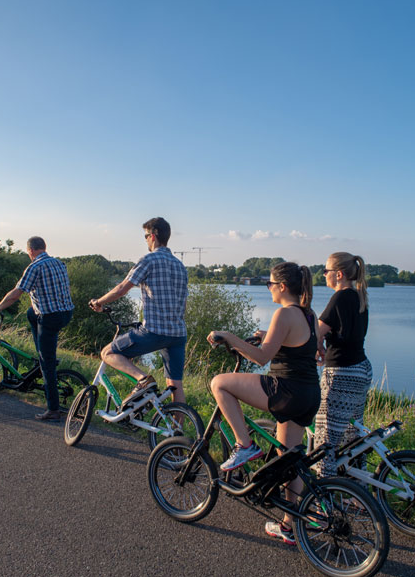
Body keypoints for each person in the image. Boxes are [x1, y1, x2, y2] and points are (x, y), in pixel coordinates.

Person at [207, 261, 320, 546]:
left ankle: (245, 446)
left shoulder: (283, 313)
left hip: (286, 390)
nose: (268, 288)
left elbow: (261, 358)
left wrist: (230, 337)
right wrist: (265, 337)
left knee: (219, 383)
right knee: (288, 458)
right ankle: (288, 525)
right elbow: (298, 346)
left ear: (282, 287)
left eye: (270, 284)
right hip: (308, 394)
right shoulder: (309, 314)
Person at [90, 217, 188, 408]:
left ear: (152, 236)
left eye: (145, 236)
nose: (145, 241)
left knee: (108, 352)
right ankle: (177, 432)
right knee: (175, 384)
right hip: (178, 334)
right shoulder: (180, 266)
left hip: (154, 332)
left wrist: (99, 302)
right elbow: (183, 304)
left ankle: (143, 379)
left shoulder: (149, 260)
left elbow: (121, 288)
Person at [0, 237, 73, 421]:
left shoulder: (34, 266)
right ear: (44, 248)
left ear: (30, 250)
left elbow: (16, 294)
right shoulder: (59, 263)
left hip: (50, 318)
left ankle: (53, 409)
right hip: (66, 313)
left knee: (46, 363)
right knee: (31, 313)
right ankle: (42, 352)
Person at [314, 252, 372, 478]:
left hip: (341, 374)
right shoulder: (360, 296)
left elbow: (314, 333)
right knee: (352, 437)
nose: (324, 274)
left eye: (326, 270)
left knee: (325, 441)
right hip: (361, 369)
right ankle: (357, 494)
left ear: (338, 274)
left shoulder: (339, 298)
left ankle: (322, 505)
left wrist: (316, 345)